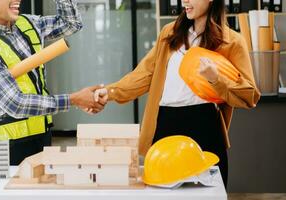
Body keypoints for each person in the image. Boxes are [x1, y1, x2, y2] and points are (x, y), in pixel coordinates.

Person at [94, 0, 260, 187]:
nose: (185, 1)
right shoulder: (169, 33)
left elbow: (249, 96)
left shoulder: (232, 42)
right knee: (162, 192)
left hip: (204, 125)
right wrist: (110, 92)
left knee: (208, 194)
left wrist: (216, 79)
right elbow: (145, 74)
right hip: (166, 124)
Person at [0, 0, 107, 165]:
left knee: (41, 187)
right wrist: (74, 99)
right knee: (4, 189)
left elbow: (71, 24)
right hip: (3, 144)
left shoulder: (28, 24)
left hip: (41, 135)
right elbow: (15, 104)